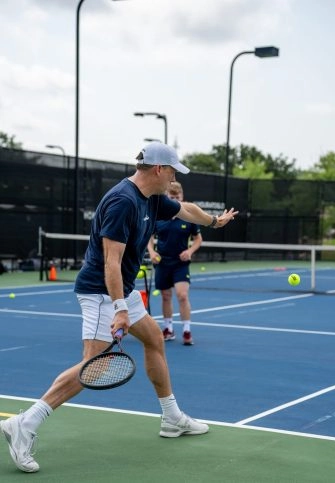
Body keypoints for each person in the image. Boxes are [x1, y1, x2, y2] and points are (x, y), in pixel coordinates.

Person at [0, 142, 238, 473]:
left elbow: (186, 209)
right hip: (101, 292)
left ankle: (172, 418)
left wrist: (214, 221)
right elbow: (111, 263)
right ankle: (25, 423)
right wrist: (120, 308)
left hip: (120, 292)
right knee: (93, 366)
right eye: (172, 171)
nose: (173, 177)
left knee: (154, 339)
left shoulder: (153, 199)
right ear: (158, 170)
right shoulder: (122, 202)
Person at [147, 181, 202, 345]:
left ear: (182, 197)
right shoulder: (159, 216)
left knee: (182, 295)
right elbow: (148, 238)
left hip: (180, 263)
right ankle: (168, 329)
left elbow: (198, 239)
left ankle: (186, 331)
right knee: (165, 296)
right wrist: (152, 251)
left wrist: (190, 251)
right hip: (162, 262)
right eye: (172, 197)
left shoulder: (189, 217)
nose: (175, 200)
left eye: (177, 197)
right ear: (167, 197)